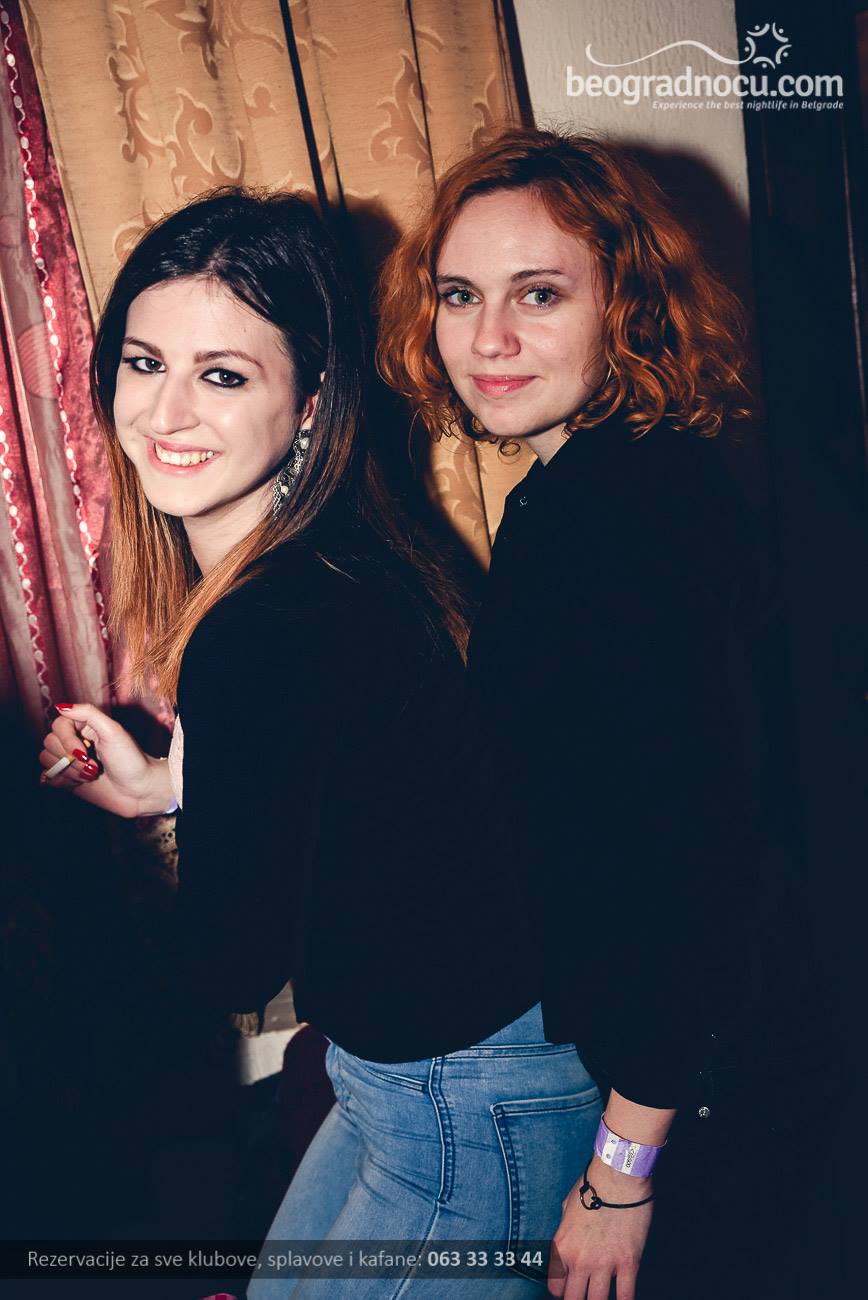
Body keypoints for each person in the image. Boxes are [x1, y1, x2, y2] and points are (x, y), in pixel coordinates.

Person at [37, 190, 605, 1298]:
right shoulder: (336, 556)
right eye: (144, 363)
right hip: (414, 1065)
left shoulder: (272, 620)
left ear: (310, 401)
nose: (164, 412)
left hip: (470, 1091)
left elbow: (231, 963)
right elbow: (364, 800)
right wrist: (168, 788)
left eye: (222, 375)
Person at [377, 127, 768, 1299]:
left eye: (537, 294)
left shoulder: (615, 516)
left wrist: (619, 1176)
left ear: (627, 304)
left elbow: (700, 864)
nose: (486, 339)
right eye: (459, 294)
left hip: (679, 1093)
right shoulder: (607, 481)